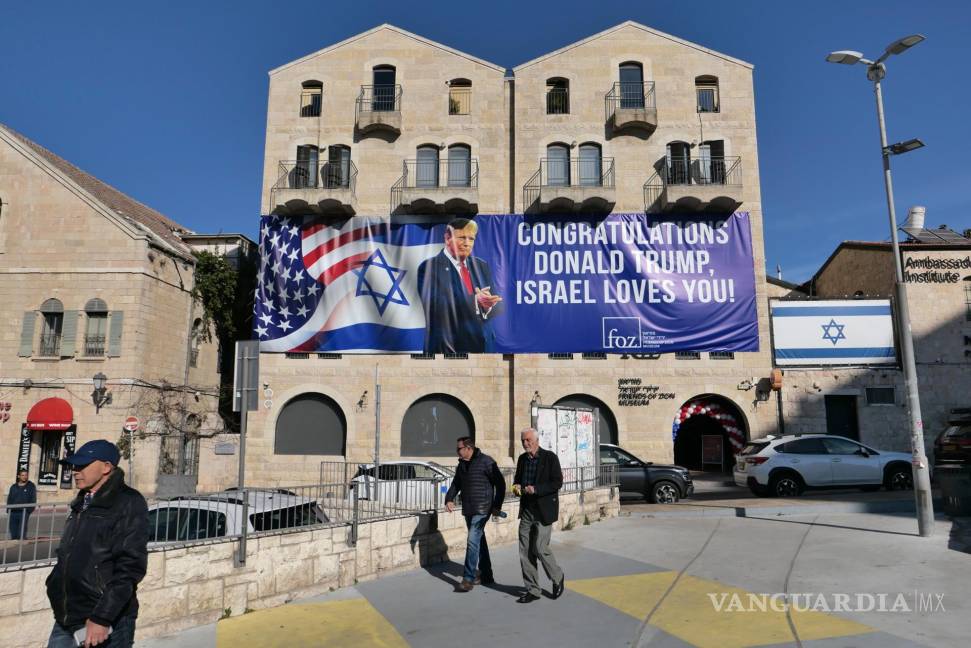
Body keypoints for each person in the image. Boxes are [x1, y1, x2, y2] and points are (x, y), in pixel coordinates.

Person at [45, 440, 148, 648]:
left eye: (83, 465)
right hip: (67, 615)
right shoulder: (82, 501)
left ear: (106, 467)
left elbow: (130, 567)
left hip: (105, 619)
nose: (75, 471)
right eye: (74, 465)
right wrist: (54, 583)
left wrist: (102, 617)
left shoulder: (128, 502)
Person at [417, 218, 502, 354]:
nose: (467, 244)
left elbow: (497, 305)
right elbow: (435, 304)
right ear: (447, 238)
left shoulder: (481, 265)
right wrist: (475, 300)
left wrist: (488, 305)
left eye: (471, 239)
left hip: (483, 347)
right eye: (462, 238)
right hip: (449, 348)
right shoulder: (428, 267)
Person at [444, 436, 506, 591]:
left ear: (468, 448)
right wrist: (449, 499)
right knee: (479, 541)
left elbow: (501, 484)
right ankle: (487, 575)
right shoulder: (462, 465)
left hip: (483, 509)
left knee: (472, 540)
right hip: (469, 509)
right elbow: (456, 483)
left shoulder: (486, 462)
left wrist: (496, 505)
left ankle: (468, 578)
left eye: (459, 449)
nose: (456, 451)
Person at [513, 428, 565, 604]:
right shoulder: (522, 459)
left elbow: (557, 482)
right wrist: (517, 487)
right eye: (523, 441)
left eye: (528, 440)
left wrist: (536, 489)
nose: (525, 443)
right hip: (527, 510)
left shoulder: (549, 458)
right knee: (525, 551)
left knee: (540, 548)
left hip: (544, 511)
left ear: (536, 440)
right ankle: (533, 590)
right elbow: (517, 480)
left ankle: (557, 577)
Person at [7, 469, 36, 540]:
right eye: (23, 475)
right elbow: (9, 499)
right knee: (13, 534)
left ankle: (21, 549)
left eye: (26, 475)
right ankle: (14, 548)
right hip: (13, 512)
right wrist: (8, 510)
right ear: (19, 476)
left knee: (21, 534)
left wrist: (28, 511)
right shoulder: (13, 487)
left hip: (24, 512)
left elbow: (33, 499)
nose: (25, 477)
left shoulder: (31, 486)